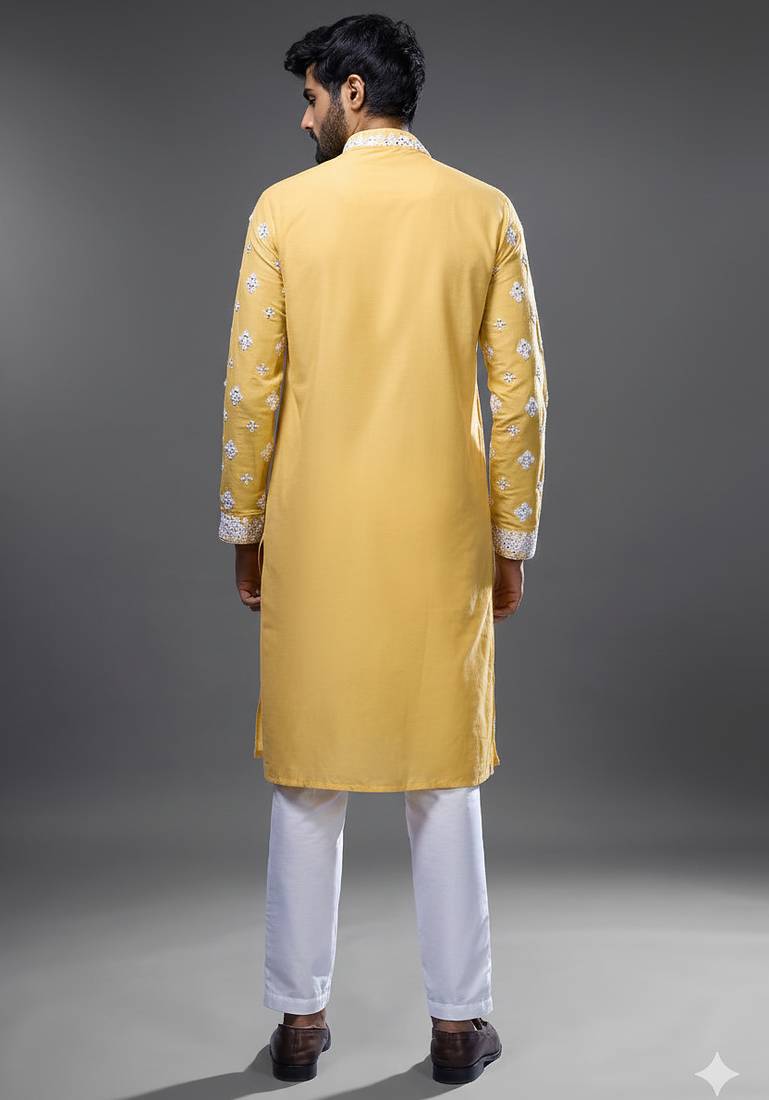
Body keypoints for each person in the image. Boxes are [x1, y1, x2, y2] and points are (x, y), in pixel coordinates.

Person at [216, 13, 549, 1084]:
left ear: (353, 92)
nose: (304, 117)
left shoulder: (283, 210)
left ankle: (298, 1025)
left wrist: (245, 527)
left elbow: (251, 391)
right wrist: (510, 539)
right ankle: (457, 1028)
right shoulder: (483, 210)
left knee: (306, 776)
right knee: (443, 778)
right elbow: (519, 399)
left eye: (311, 96)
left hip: (314, 536)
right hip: (440, 538)